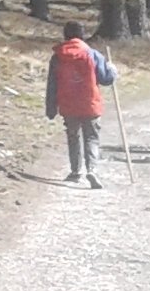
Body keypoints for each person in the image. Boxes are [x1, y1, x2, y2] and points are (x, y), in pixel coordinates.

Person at [45, 21, 117, 188]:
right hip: (89, 103)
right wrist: (112, 70)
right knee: (91, 137)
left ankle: (75, 171)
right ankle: (91, 170)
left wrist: (51, 108)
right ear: (82, 35)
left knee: (73, 136)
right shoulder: (92, 54)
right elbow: (106, 79)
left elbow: (52, 85)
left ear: (65, 35)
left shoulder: (57, 57)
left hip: (68, 104)